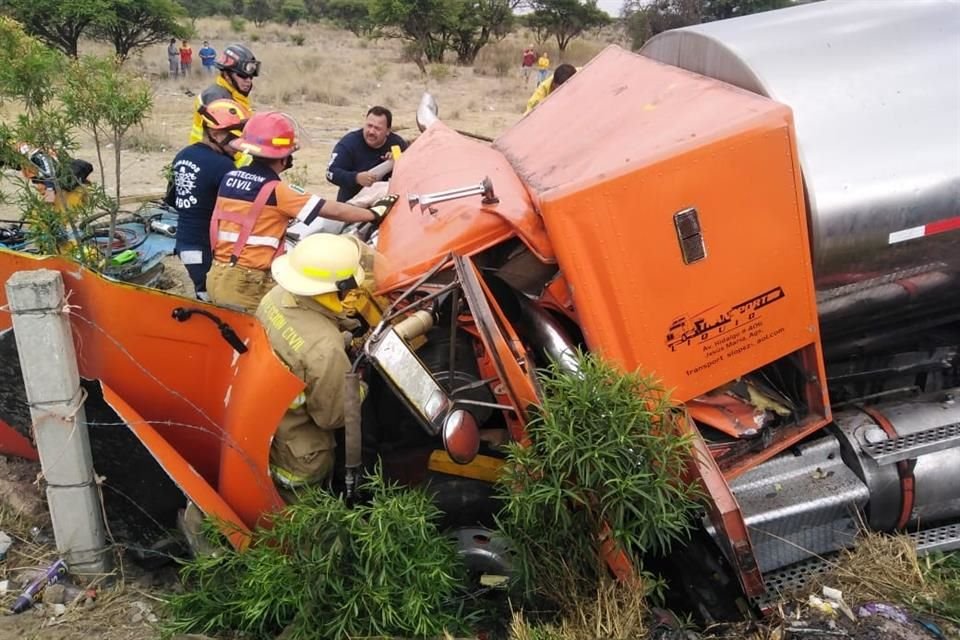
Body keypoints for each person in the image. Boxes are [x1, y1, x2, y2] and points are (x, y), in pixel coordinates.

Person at [206, 111, 395, 312]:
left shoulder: (229, 178)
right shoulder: (277, 191)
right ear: (283, 157)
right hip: (247, 284)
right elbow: (335, 211)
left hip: (217, 274)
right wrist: (374, 214)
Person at [255, 233, 369, 497]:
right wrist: (361, 386)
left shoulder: (276, 296)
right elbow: (332, 417)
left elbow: (298, 340)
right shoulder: (325, 350)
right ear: (337, 288)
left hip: (266, 428)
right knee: (307, 519)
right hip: (299, 458)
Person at [165, 99, 250, 301]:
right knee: (213, 302)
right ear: (217, 133)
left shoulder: (183, 155)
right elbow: (240, 211)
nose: (239, 146)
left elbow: (172, 197)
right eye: (235, 137)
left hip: (185, 242)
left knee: (203, 294)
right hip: (207, 247)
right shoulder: (223, 166)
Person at [325, 106, 408, 202]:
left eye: (377, 128)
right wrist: (356, 178)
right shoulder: (349, 143)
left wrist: (396, 161)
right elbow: (331, 172)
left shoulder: (397, 144)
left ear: (388, 131)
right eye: (369, 126)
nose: (371, 131)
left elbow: (410, 172)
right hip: (351, 204)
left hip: (386, 202)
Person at [189, 43, 259, 144]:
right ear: (226, 75)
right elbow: (226, 143)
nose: (248, 80)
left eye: (250, 76)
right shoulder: (216, 98)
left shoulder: (236, 95)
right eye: (242, 75)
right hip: (211, 157)